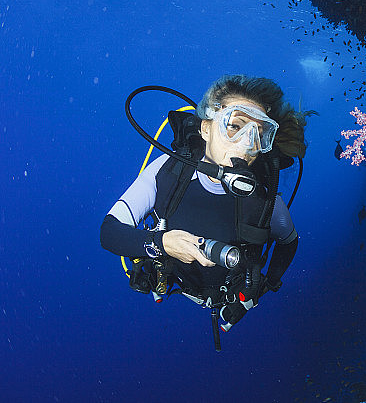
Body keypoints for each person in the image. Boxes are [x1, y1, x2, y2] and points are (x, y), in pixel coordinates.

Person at [101, 75, 310, 335]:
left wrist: (265, 285)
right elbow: (109, 231)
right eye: (235, 126)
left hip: (229, 295)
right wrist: (161, 244)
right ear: (206, 129)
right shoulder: (168, 173)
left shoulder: (264, 201)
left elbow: (289, 242)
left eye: (258, 134)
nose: (246, 145)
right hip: (172, 278)